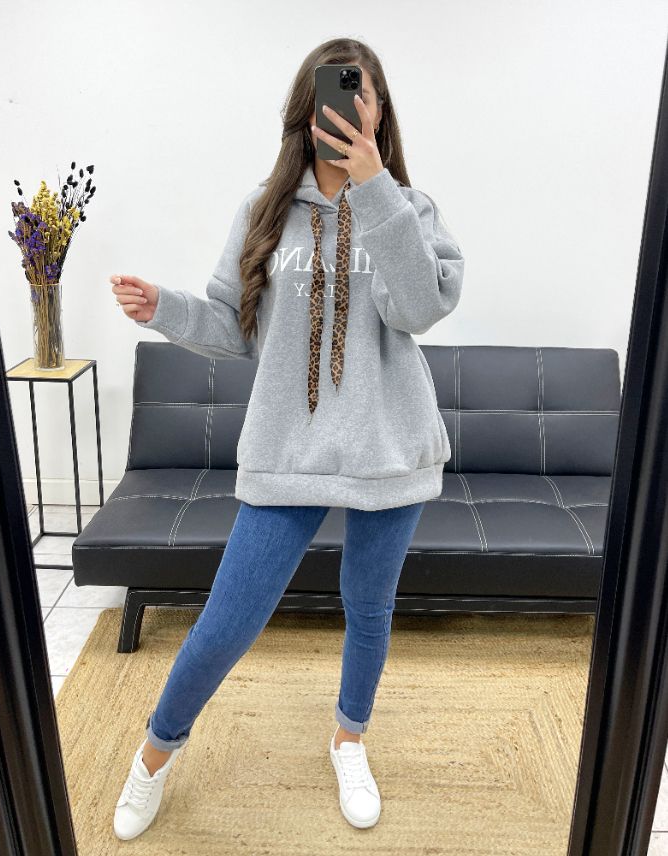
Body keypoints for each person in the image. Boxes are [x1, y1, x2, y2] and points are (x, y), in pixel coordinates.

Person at [111, 37, 464, 841]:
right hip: (288, 449)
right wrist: (164, 308)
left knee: (368, 610)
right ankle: (154, 755)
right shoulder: (264, 210)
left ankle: (349, 740)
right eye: (331, 98)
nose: (344, 113)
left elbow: (417, 308)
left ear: (378, 112)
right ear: (307, 113)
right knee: (226, 623)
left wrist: (375, 188)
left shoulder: (410, 209)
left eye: (360, 98)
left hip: (389, 446)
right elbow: (236, 328)